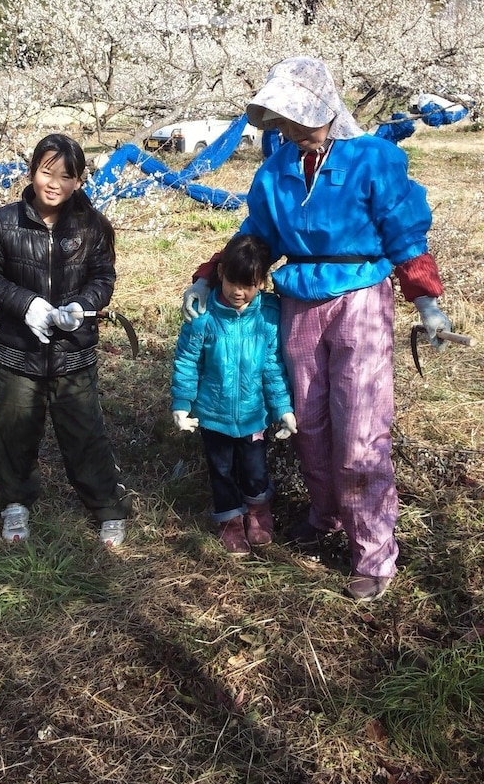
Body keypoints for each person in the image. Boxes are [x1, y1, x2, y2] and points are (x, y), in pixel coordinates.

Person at [183, 56, 452, 600]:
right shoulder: (276, 170)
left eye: (297, 118)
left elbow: (404, 231)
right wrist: (209, 276)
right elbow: (256, 236)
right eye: (283, 121)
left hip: (359, 298)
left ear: (325, 108)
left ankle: (372, 550)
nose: (290, 130)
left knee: (360, 427)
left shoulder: (372, 159)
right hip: (299, 301)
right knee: (307, 420)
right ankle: (325, 513)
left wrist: (426, 301)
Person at [0, 132, 132, 547]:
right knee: (12, 430)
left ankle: (107, 507)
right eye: (47, 172)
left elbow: (103, 277)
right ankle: (15, 501)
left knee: (84, 432)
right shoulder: (4, 221)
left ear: (78, 180)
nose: (55, 184)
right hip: (18, 350)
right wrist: (25, 304)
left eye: (66, 176)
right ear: (32, 172)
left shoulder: (90, 225)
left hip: (72, 353)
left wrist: (82, 305)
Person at [172, 234, 297, 556]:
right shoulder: (203, 316)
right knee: (221, 471)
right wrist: (182, 403)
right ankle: (230, 520)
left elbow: (273, 366)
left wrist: (282, 408)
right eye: (232, 282)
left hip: (254, 414)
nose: (238, 292)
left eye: (249, 285)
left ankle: (257, 511)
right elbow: (187, 360)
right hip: (213, 414)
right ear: (221, 273)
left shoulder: (268, 315)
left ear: (262, 282)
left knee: (255, 470)